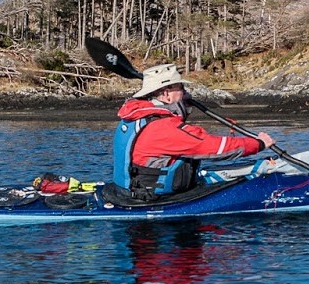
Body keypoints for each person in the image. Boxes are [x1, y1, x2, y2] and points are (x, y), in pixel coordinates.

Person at [113, 64, 273, 198]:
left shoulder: (136, 117)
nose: (187, 94)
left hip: (130, 190)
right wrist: (258, 144)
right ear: (166, 94)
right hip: (153, 197)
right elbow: (215, 148)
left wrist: (183, 106)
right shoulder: (162, 128)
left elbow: (178, 129)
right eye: (182, 88)